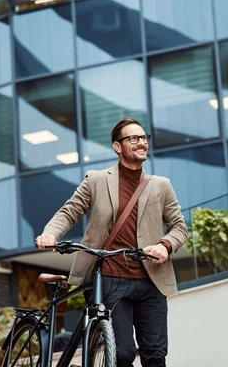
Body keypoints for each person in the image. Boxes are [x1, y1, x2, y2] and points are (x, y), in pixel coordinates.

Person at [35, 117, 188, 367]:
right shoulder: (97, 180)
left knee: (156, 355)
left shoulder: (161, 185)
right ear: (118, 146)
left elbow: (180, 226)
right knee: (123, 353)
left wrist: (165, 245)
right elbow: (69, 212)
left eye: (144, 138)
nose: (141, 143)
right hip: (111, 279)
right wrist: (51, 233)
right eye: (133, 138)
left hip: (152, 280)